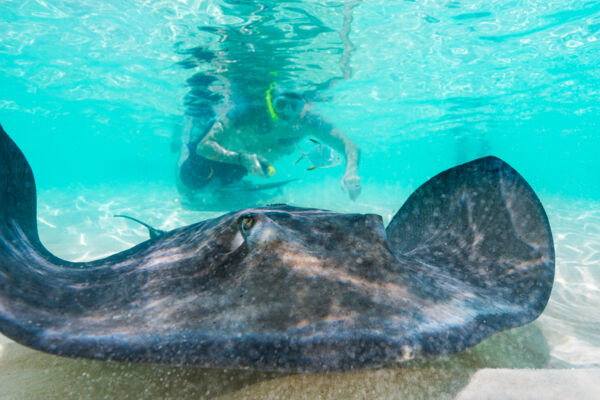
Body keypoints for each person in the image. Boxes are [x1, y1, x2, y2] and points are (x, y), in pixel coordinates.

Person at [176, 85, 362, 200]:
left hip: (242, 166)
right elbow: (204, 148)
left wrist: (351, 171)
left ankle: (227, 184)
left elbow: (349, 145)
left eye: (294, 106)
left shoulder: (309, 121)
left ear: (302, 107)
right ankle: (189, 139)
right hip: (214, 157)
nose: (287, 112)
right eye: (281, 105)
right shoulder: (247, 112)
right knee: (189, 184)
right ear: (271, 103)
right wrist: (240, 158)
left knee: (225, 183)